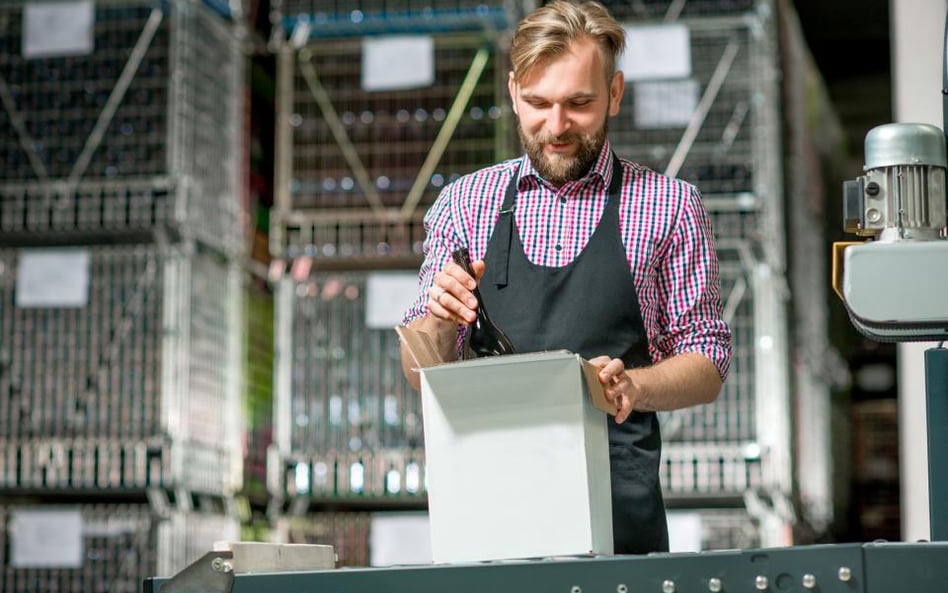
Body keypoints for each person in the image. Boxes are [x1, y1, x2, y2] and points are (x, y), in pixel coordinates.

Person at [399, 0, 732, 555]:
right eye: (537, 103)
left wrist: (634, 387)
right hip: (489, 517)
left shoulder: (669, 206)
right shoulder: (465, 204)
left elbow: (709, 358)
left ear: (616, 94)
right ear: (512, 92)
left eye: (579, 103)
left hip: (618, 524)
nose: (556, 127)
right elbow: (420, 375)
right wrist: (436, 317)